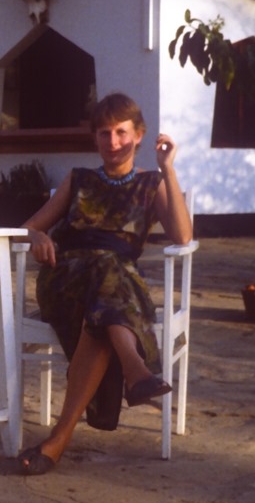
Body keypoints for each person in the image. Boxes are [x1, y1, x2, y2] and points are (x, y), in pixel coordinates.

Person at [17, 92, 193, 475]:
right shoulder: (79, 180)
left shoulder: (151, 184)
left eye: (121, 132)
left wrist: (169, 170)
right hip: (66, 278)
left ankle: (58, 440)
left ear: (140, 135)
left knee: (104, 305)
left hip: (112, 288)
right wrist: (39, 238)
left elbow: (182, 236)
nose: (112, 142)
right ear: (94, 138)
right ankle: (137, 370)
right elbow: (30, 226)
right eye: (103, 133)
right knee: (106, 276)